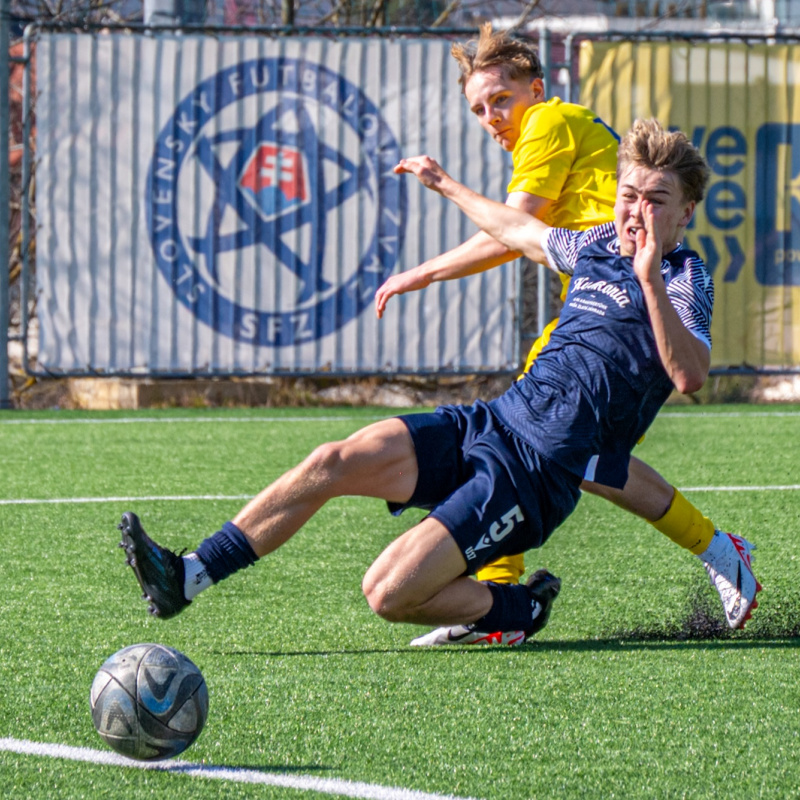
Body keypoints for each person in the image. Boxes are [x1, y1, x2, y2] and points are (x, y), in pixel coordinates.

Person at [119, 120, 760, 641]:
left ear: (687, 212)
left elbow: (691, 376)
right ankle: (191, 575)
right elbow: (520, 231)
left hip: (536, 474)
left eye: (656, 200)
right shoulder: (595, 242)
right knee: (333, 460)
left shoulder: (683, 277)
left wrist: (648, 278)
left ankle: (517, 611)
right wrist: (445, 183)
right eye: (630, 194)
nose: (638, 211)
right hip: (494, 421)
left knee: (387, 594)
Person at [374, 24, 753, 645]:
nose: (492, 117)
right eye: (478, 107)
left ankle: (495, 607)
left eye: (502, 99)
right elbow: (524, 233)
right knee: (585, 460)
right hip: (600, 290)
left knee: (538, 447)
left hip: (619, 302)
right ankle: (712, 549)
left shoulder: (546, 124)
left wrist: (420, 270)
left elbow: (512, 226)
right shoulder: (565, 145)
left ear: (536, 90)